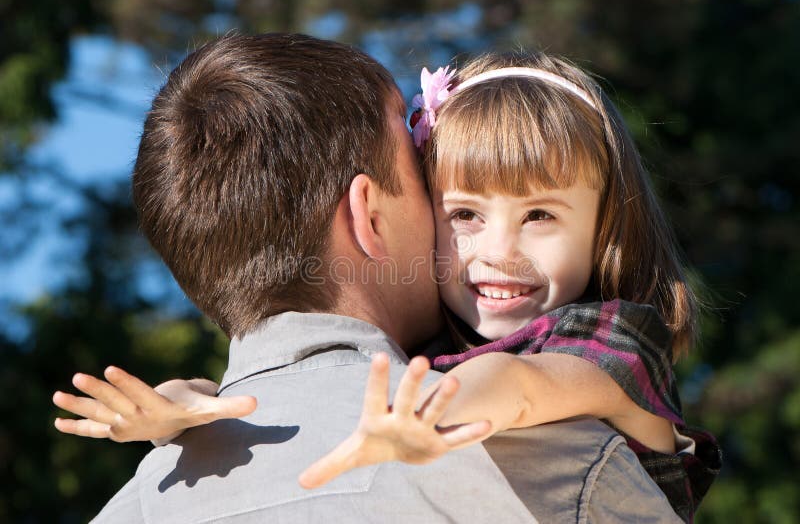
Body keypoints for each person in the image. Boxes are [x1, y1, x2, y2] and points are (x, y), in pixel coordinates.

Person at [54, 33, 691, 522]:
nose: (498, 248)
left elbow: (519, 380)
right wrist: (181, 406)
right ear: (370, 214)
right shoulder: (566, 471)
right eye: (459, 207)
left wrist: (429, 416)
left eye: (541, 215)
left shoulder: (134, 503)